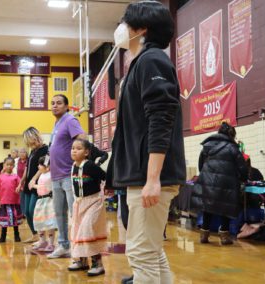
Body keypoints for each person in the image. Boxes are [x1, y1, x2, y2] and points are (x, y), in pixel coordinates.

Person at [108, 2, 186, 283]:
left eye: (125, 23)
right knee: (151, 254)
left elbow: (161, 119)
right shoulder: (141, 63)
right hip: (141, 176)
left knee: (141, 255)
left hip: (150, 178)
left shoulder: (153, 60)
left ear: (142, 29)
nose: (120, 29)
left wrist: (153, 178)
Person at [195, 122, 248, 245]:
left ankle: (204, 235)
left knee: (207, 207)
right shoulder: (233, 148)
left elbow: (201, 165)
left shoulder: (207, 145)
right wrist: (244, 179)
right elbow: (242, 167)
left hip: (208, 181)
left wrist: (206, 177)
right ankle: (224, 236)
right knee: (226, 207)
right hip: (227, 183)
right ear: (231, 134)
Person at [47, 94, 86, 259]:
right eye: (53, 103)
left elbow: (82, 139)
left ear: (66, 106)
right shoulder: (57, 124)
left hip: (68, 175)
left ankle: (80, 246)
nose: (55, 106)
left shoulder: (70, 120)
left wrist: (77, 163)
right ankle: (63, 245)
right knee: (60, 213)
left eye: (59, 103)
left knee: (75, 213)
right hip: (56, 176)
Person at [68, 139, 107, 277]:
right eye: (72, 148)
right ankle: (82, 261)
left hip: (94, 202)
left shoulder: (90, 166)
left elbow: (104, 177)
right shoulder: (73, 166)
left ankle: (98, 263)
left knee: (88, 229)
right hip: (80, 203)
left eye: (78, 148)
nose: (74, 150)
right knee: (77, 231)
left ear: (86, 152)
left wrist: (107, 190)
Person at [18, 127, 48, 243]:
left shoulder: (46, 149)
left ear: (34, 137)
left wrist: (34, 179)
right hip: (28, 185)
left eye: (29, 141)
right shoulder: (32, 151)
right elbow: (27, 167)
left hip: (37, 185)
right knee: (26, 211)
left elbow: (44, 166)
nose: (29, 144)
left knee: (32, 211)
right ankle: (35, 235)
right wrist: (21, 181)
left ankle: (42, 237)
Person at [31, 156, 57, 252]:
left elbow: (43, 187)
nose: (38, 166)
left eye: (41, 164)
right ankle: (42, 241)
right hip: (40, 200)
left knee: (49, 222)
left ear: (48, 167)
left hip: (48, 201)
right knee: (39, 221)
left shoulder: (50, 175)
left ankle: (51, 243)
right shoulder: (42, 174)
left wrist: (33, 185)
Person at [0, 157, 23, 243]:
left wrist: (20, 188)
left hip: (14, 202)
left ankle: (17, 234)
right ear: (4, 165)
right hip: (4, 202)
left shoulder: (16, 176)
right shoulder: (0, 177)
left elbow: (20, 186)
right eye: (7, 165)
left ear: (13, 166)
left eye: (11, 165)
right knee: (4, 219)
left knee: (15, 218)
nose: (9, 166)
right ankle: (3, 235)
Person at [17, 148, 28, 217]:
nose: (22, 153)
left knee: (25, 198)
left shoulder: (28, 161)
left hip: (26, 182)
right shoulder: (16, 161)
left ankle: (25, 213)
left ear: (26, 153)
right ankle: (21, 213)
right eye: (20, 152)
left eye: (23, 152)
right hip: (18, 182)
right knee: (20, 198)